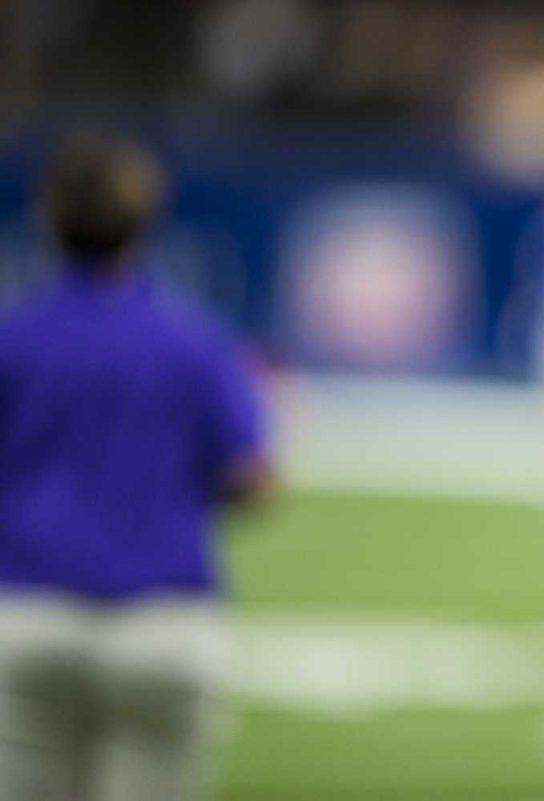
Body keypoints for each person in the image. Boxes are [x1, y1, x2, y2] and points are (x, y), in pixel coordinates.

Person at [0, 130, 273, 801]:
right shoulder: (194, 341)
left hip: (29, 610)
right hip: (164, 620)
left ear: (47, 218)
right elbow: (253, 476)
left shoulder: (15, 337)